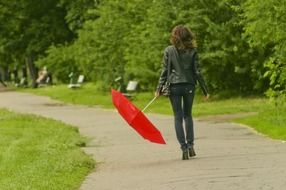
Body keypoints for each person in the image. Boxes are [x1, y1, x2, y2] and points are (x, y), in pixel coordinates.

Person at [155, 25, 209, 160]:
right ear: (188, 35)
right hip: (189, 85)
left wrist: (158, 89)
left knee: (178, 117)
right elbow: (197, 72)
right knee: (188, 115)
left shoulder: (169, 50)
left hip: (174, 86)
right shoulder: (193, 51)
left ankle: (184, 148)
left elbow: (164, 71)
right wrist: (205, 90)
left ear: (175, 36)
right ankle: (191, 146)